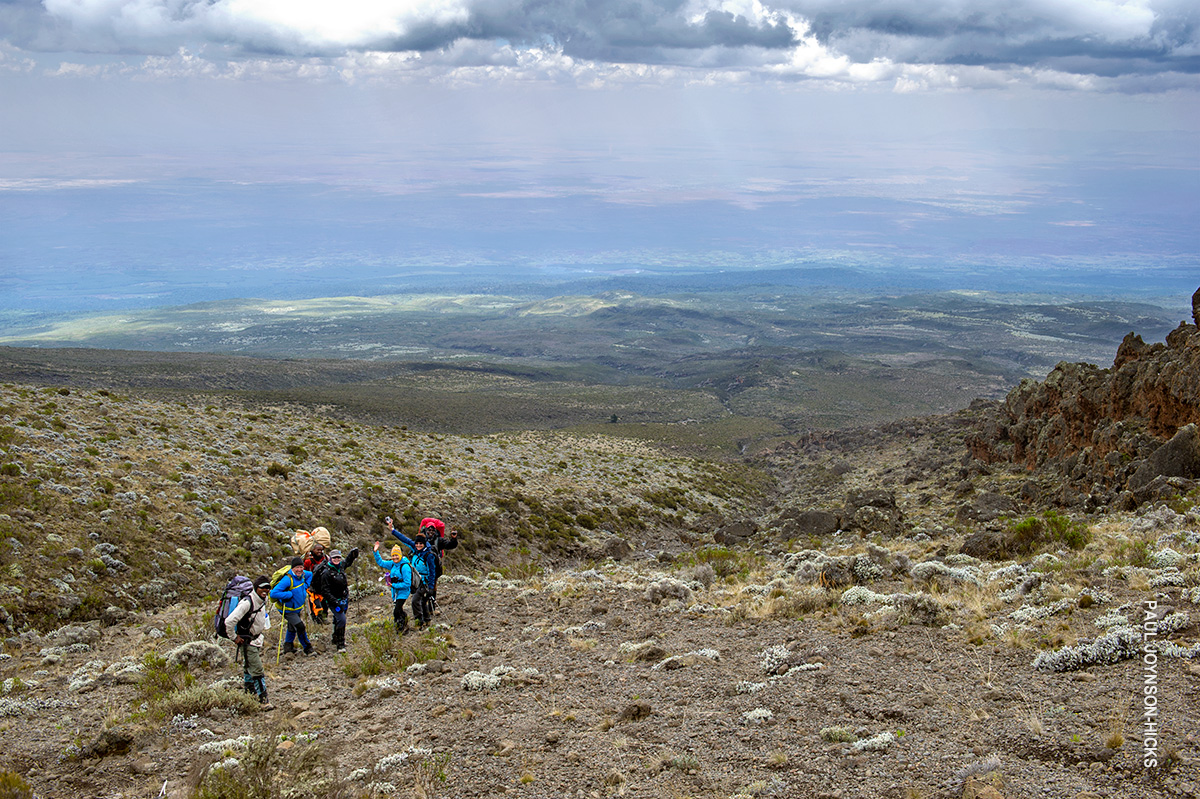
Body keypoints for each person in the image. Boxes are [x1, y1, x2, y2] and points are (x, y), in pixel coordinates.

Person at [222, 575, 273, 708]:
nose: (265, 590)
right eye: (262, 588)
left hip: (255, 640)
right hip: (248, 641)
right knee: (257, 669)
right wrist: (234, 637)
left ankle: (249, 694)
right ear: (256, 588)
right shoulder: (247, 603)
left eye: (267, 588)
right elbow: (229, 621)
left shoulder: (262, 600)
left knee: (248, 667)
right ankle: (263, 700)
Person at [386, 518, 438, 626]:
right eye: (417, 543)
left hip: (425, 582)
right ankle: (427, 620)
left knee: (415, 601)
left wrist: (431, 588)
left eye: (420, 544)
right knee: (422, 601)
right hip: (416, 581)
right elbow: (404, 539)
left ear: (424, 544)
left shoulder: (429, 556)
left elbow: (432, 572)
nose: (418, 545)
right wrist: (393, 530)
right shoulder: (415, 548)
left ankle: (419, 622)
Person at [315, 547, 359, 652]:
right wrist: (335, 601)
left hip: (343, 599)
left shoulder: (340, 567)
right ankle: (340, 644)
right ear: (330, 558)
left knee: (337, 619)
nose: (336, 560)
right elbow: (325, 591)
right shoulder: (326, 573)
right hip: (333, 601)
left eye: (338, 558)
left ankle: (335, 637)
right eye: (334, 558)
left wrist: (352, 554)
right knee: (341, 619)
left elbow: (347, 562)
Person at [270, 556, 314, 655]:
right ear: (292, 568)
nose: (299, 570)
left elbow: (310, 574)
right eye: (297, 567)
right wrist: (288, 595)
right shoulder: (287, 579)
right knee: (300, 626)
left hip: (297, 608)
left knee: (292, 626)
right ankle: (308, 648)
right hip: (288, 610)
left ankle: (288, 647)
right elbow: (273, 593)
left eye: (301, 567)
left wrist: (305, 586)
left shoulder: (303, 574)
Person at [373, 541, 413, 633]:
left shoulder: (405, 567)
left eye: (396, 555)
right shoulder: (392, 564)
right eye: (393, 555)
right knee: (399, 610)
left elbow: (407, 583)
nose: (395, 557)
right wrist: (376, 552)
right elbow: (381, 563)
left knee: (396, 611)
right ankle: (404, 622)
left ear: (400, 555)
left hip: (403, 592)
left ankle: (400, 629)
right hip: (395, 592)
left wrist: (393, 585)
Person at [304, 543, 329, 624]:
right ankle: (316, 620)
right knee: (315, 604)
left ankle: (324, 618)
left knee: (324, 604)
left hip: (323, 586)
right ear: (313, 550)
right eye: (318, 550)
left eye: (321, 550)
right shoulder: (308, 561)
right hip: (312, 587)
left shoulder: (325, 559)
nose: (320, 551)